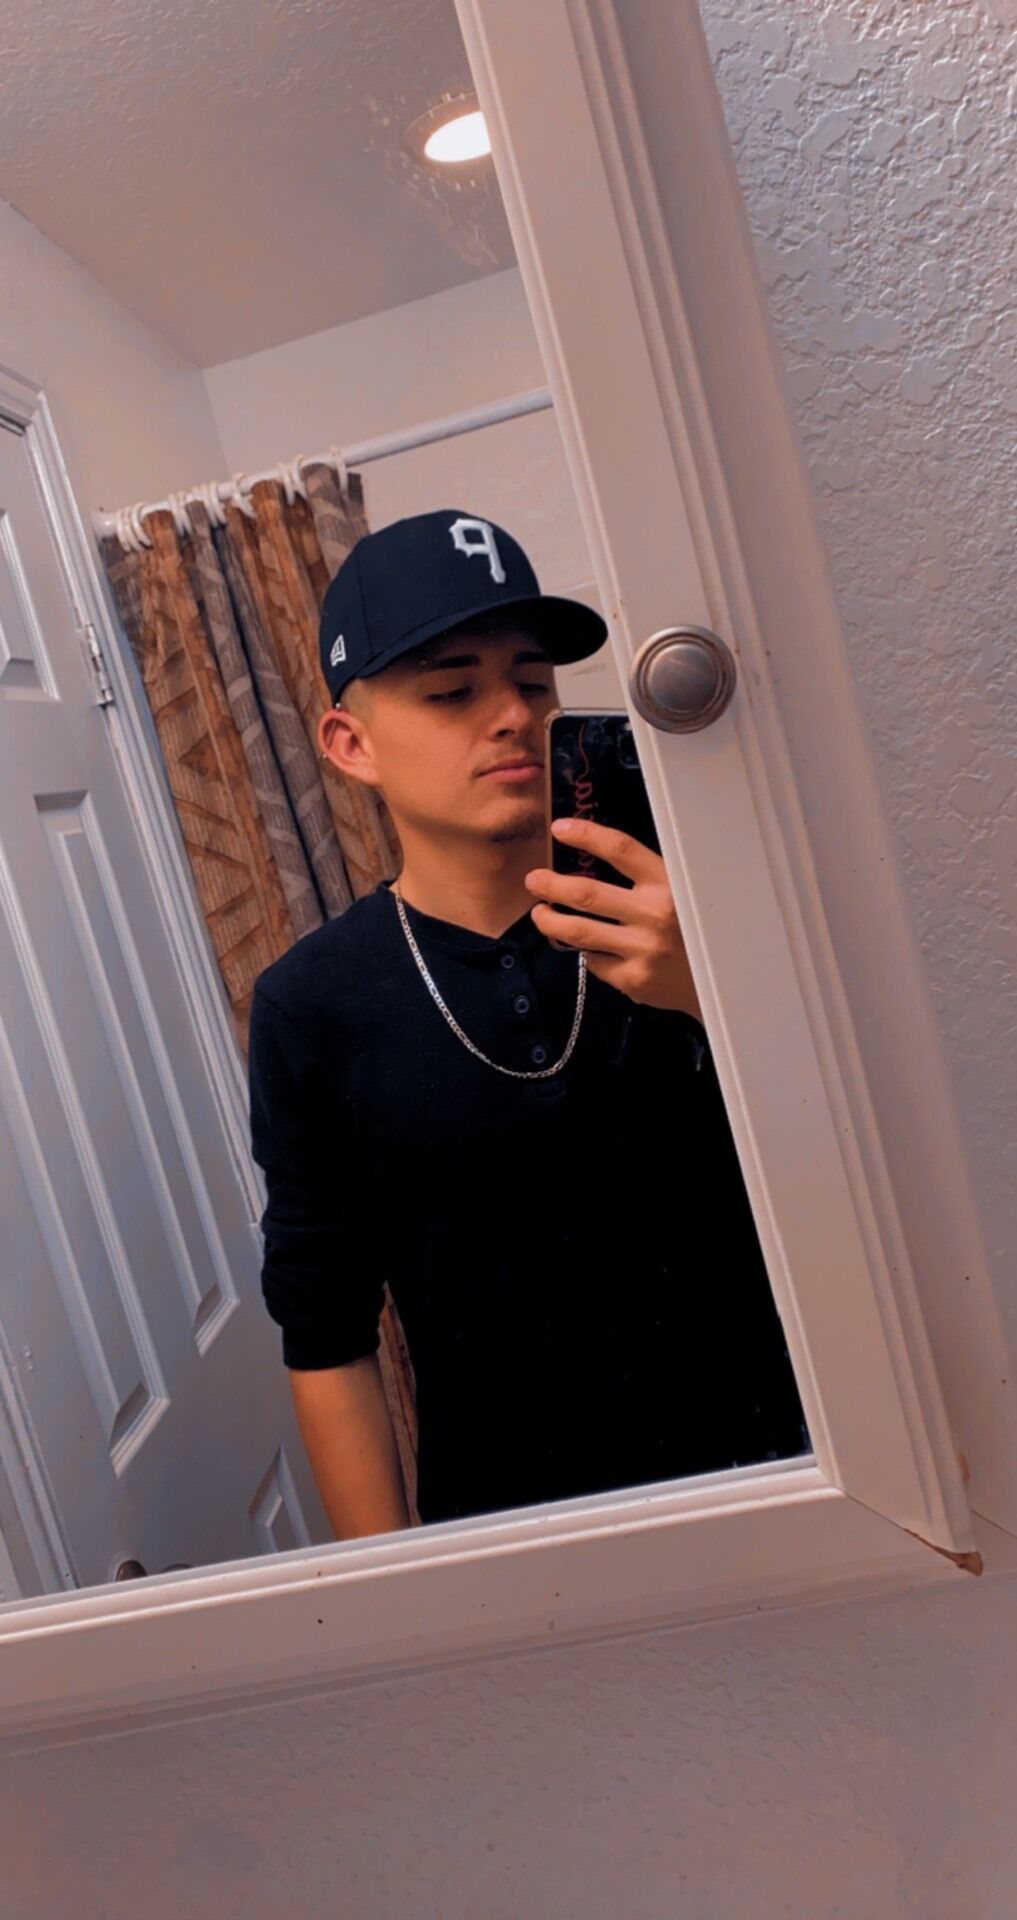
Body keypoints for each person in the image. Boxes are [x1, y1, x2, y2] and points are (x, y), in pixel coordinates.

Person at [247, 508, 807, 1539]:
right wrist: (402, 1594)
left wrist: (713, 993)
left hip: (791, 1471)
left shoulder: (698, 910)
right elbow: (326, 1331)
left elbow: (855, 1165)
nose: (511, 715)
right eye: (453, 691)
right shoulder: (310, 1004)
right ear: (350, 743)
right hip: (513, 1531)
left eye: (535, 682)